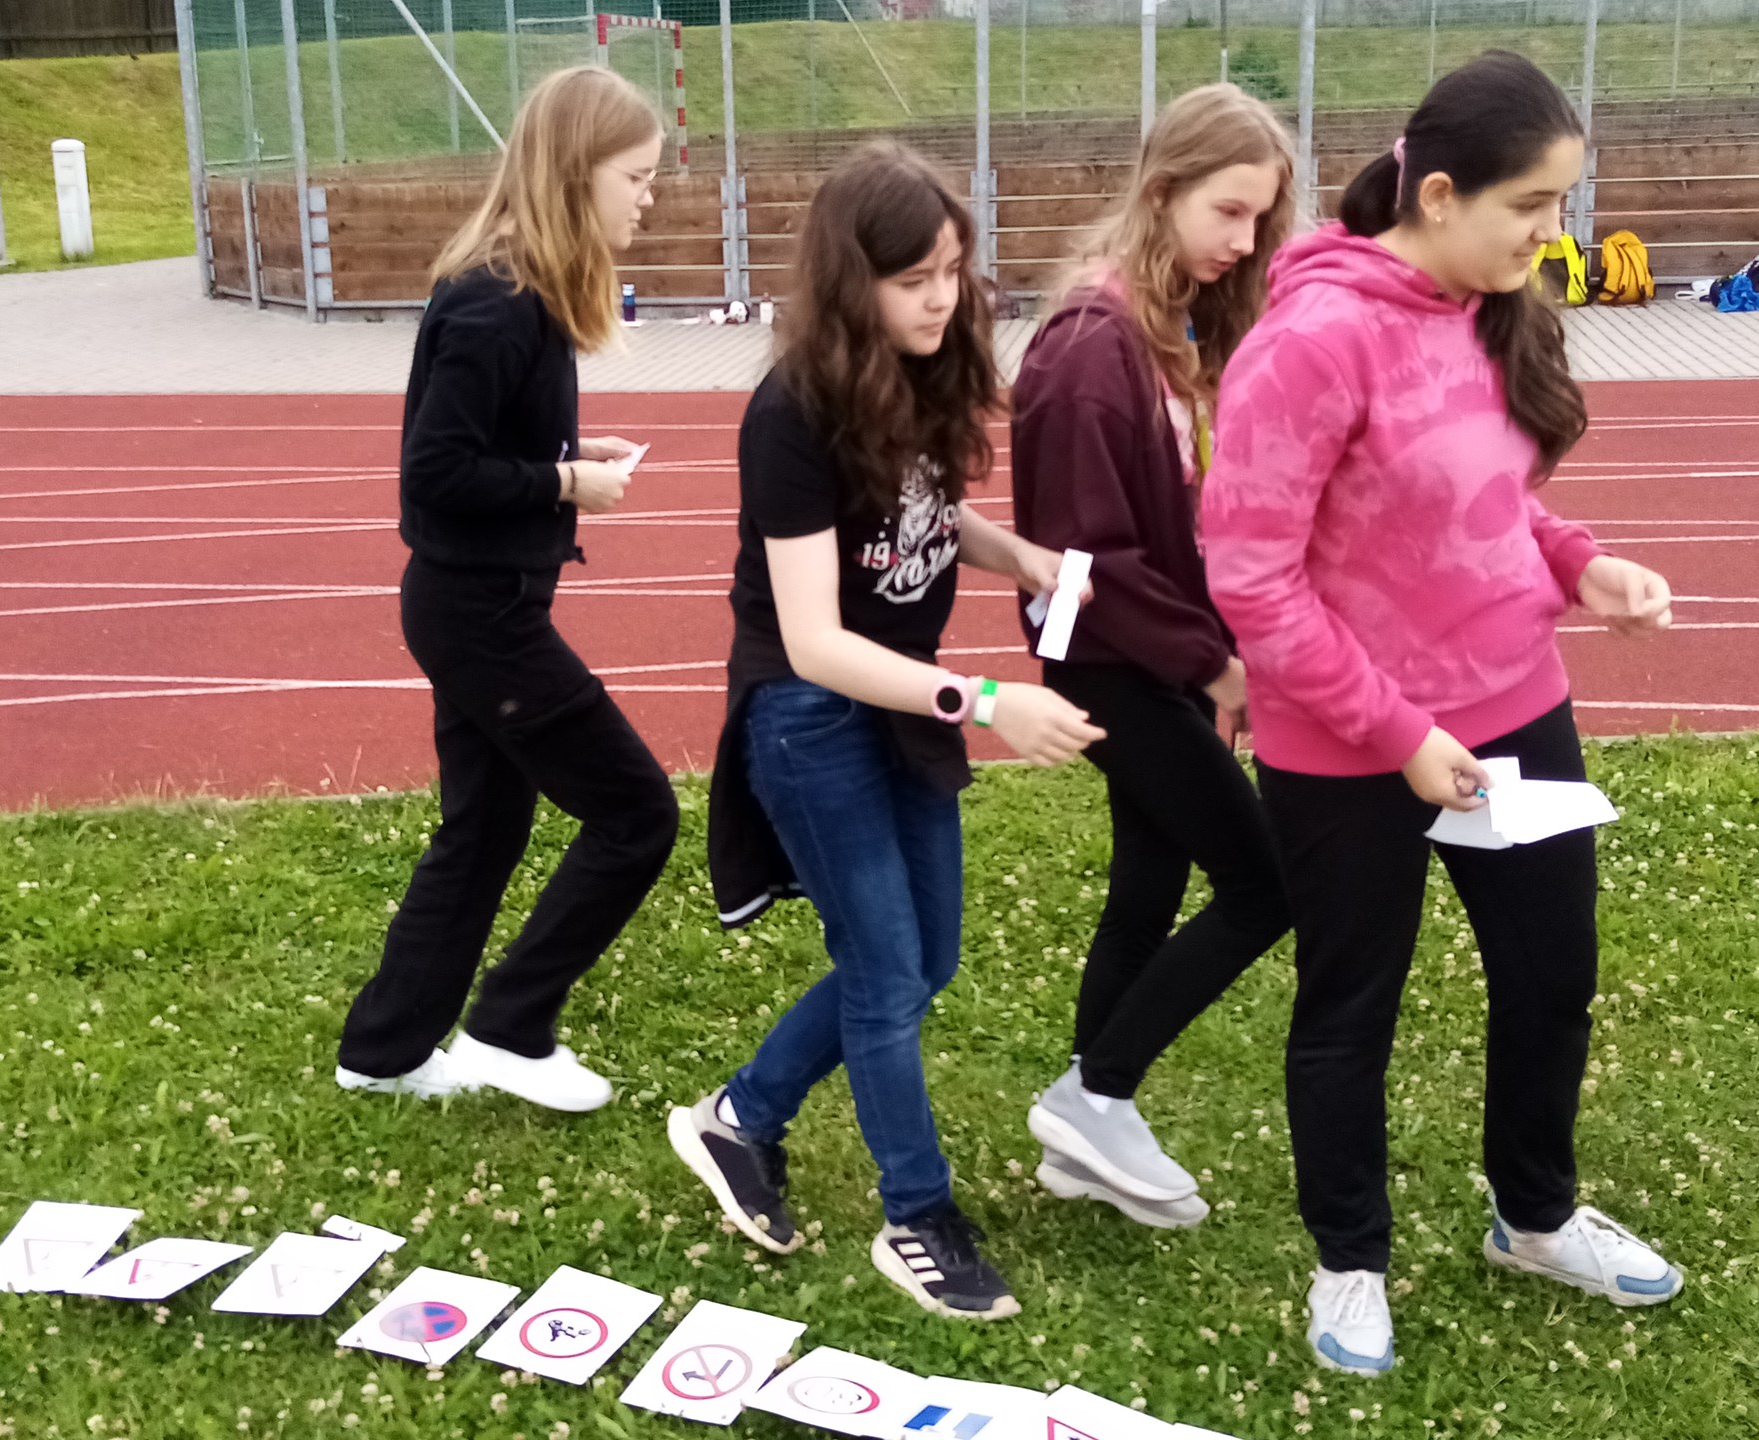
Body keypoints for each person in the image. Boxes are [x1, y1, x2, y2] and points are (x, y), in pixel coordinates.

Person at [1201, 51, 1682, 1376]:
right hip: (1348, 744)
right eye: (1532, 206)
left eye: (1561, 204)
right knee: (1351, 1005)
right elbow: (1251, 578)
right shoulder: (1310, 343)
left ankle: (1534, 1217)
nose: (1551, 234)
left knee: (1552, 976)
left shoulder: (1484, 307)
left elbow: (1492, 500)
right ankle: (1350, 1259)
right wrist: (1401, 736)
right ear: (1441, 194)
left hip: (1516, 706)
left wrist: (1582, 565)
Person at [668, 143, 1104, 1321]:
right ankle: (917, 1215)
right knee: (884, 970)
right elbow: (813, 642)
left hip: (900, 700)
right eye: (914, 279)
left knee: (926, 961)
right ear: (849, 280)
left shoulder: (918, 369)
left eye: (954, 272)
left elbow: (923, 510)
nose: (941, 298)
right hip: (810, 715)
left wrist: (1021, 557)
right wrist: (990, 703)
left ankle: (741, 1119)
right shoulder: (788, 412)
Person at [334, 67, 680, 1112]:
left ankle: (383, 1050)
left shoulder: (523, 287)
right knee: (637, 814)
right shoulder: (498, 300)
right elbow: (435, 472)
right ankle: (508, 1029)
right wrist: (567, 483)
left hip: (480, 604)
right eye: (636, 176)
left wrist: (566, 451)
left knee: (483, 828)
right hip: (477, 614)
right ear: (577, 172)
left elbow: (484, 442)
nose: (648, 197)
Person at [1009, 85, 1295, 1230]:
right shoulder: (1092, 348)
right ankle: (1097, 1094)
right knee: (1266, 884)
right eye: (1228, 211)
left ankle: (1088, 1138)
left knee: (1150, 882)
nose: (1243, 241)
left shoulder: (1165, 326)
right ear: (1163, 189)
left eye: (1259, 219)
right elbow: (1090, 558)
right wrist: (1214, 667)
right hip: (1112, 660)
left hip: (1150, 656)